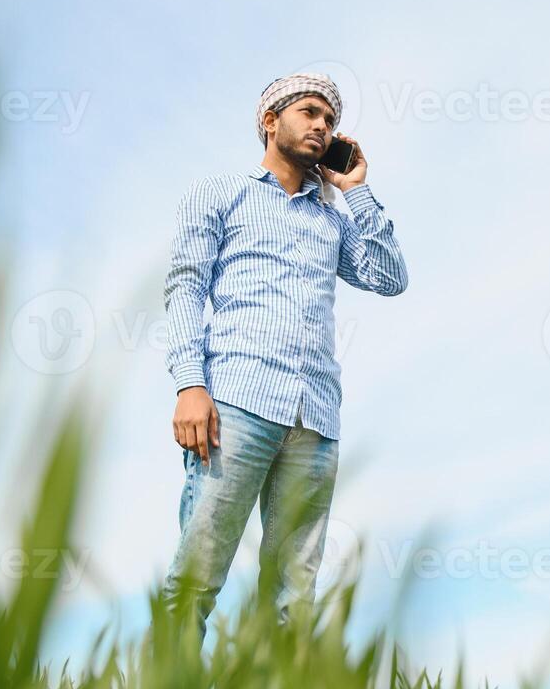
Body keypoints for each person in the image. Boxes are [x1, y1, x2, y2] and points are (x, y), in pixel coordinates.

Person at [161, 72, 409, 636]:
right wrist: (189, 385)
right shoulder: (223, 194)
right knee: (197, 576)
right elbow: (184, 290)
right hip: (236, 405)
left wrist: (357, 191)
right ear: (270, 122)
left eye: (330, 121)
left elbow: (391, 278)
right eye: (310, 113)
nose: (322, 126)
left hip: (316, 419)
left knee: (294, 595)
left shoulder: (332, 220)